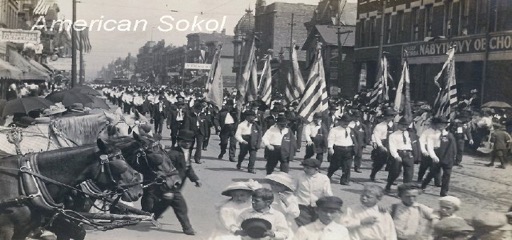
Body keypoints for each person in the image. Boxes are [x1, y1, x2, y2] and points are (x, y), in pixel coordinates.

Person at [141, 130, 201, 236]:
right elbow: (164, 170)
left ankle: (152, 215)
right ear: (178, 141)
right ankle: (187, 228)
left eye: (189, 142)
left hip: (176, 184)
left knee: (165, 203)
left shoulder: (186, 152)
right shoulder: (173, 154)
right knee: (181, 207)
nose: (187, 143)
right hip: (169, 185)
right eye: (184, 141)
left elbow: (188, 168)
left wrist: (195, 179)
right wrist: (167, 188)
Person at [422, 117, 457, 196]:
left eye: (443, 124)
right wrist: (433, 156)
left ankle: (444, 191)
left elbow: (454, 148)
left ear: (446, 126)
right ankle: (423, 185)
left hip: (448, 158)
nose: (441, 126)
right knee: (432, 172)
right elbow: (430, 146)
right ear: (437, 125)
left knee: (447, 175)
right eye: (440, 124)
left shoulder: (450, 135)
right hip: (437, 156)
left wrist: (454, 157)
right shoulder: (433, 135)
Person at [294, 158, 332, 227]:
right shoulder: (299, 176)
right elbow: (293, 189)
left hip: (317, 207)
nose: (305, 169)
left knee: (316, 226)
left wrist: (329, 206)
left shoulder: (324, 178)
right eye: (304, 167)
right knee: (303, 227)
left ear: (316, 169)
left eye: (308, 168)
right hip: (302, 206)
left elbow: (328, 194)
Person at [387, 117, 418, 192]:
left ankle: (405, 190)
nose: (404, 127)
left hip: (409, 154)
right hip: (399, 154)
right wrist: (396, 156)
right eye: (402, 125)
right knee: (395, 172)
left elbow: (414, 145)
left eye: (406, 125)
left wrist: (415, 155)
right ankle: (389, 184)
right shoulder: (393, 135)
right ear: (398, 125)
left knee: (409, 174)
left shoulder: (410, 134)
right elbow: (392, 147)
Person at [265, 172, 300, 238]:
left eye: (278, 185)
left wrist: (286, 202)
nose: (274, 186)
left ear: (285, 186)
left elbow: (295, 213)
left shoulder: (291, 197)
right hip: (270, 221)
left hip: (285, 223)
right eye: (273, 184)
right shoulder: (268, 194)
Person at [327, 115, 358, 185]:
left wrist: (355, 148)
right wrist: (330, 148)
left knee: (347, 166)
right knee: (335, 165)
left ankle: (344, 180)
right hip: (338, 149)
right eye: (344, 122)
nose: (346, 123)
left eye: (348, 122)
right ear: (340, 122)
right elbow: (330, 139)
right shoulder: (334, 130)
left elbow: (354, 139)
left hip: (349, 149)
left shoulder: (350, 130)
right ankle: (329, 174)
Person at [370, 108, 397, 181]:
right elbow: (377, 136)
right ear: (384, 116)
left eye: (391, 116)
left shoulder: (395, 126)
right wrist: (380, 146)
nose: (389, 118)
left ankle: (390, 179)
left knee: (393, 163)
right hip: (383, 143)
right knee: (380, 162)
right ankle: (373, 173)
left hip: (392, 144)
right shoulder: (379, 126)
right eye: (388, 116)